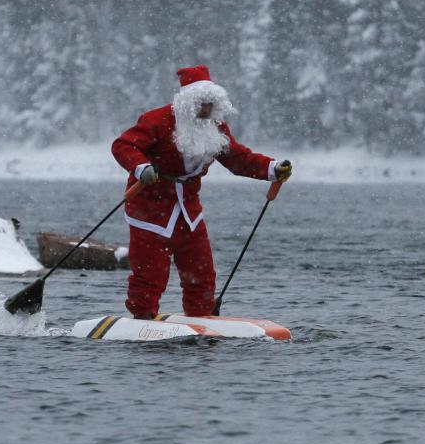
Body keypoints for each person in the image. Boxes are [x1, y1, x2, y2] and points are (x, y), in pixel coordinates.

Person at [111, 65, 291, 319]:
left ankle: (202, 319)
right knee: (150, 276)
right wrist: (141, 167)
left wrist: (272, 168)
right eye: (201, 104)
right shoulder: (157, 120)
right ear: (187, 102)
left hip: (189, 212)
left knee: (201, 274)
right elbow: (123, 145)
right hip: (149, 210)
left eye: (211, 104)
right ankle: (142, 320)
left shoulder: (215, 128)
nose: (206, 110)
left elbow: (238, 159)